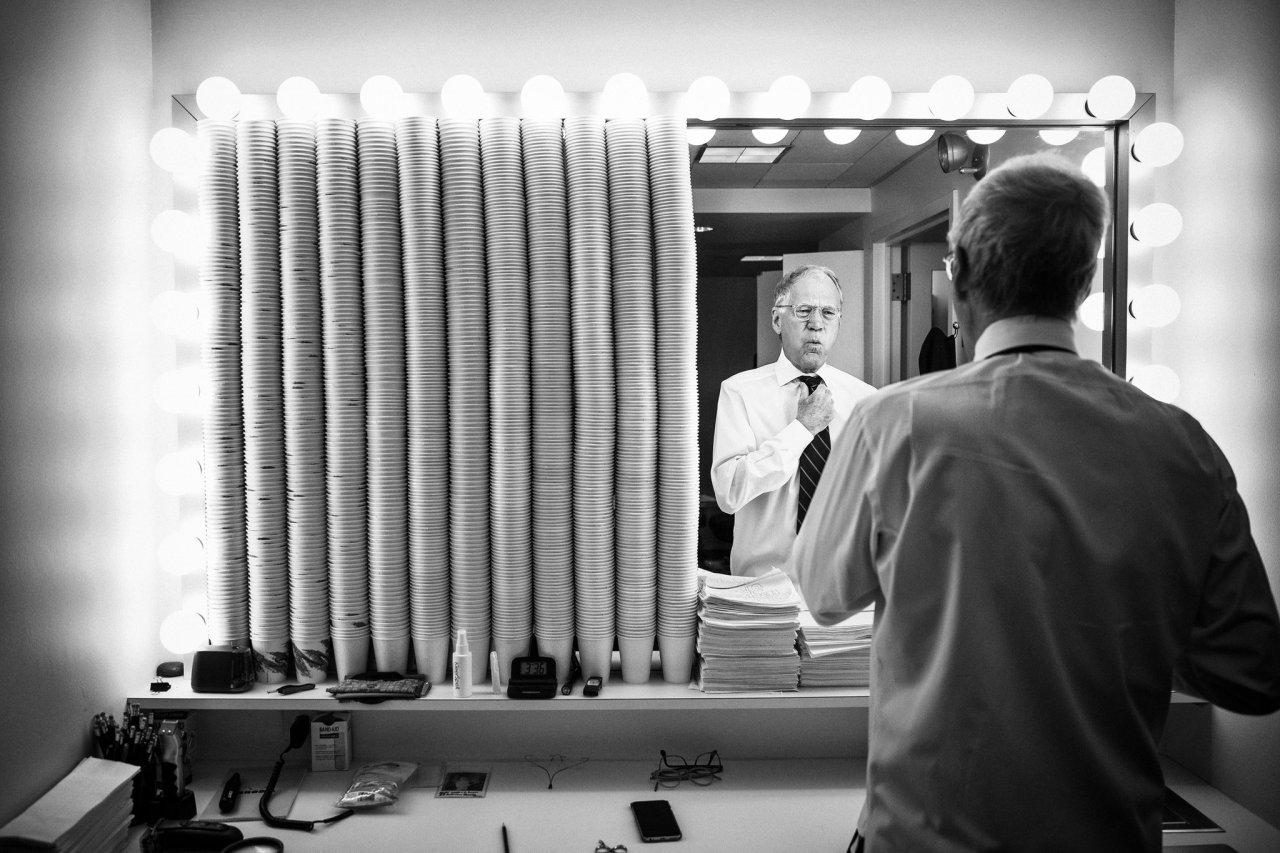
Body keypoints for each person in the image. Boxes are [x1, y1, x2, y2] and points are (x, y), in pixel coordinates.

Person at [792, 153, 1280, 853]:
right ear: (1084, 282)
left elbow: (822, 592)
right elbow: (1252, 674)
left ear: (958, 278)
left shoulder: (892, 423)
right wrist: (1125, 615)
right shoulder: (1183, 447)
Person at [711, 264, 876, 578]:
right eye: (803, 311)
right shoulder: (740, 392)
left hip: (843, 584)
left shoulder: (864, 398)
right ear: (777, 319)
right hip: (763, 585)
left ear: (839, 322)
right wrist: (802, 429)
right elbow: (729, 493)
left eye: (828, 313)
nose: (816, 324)